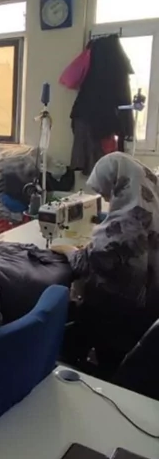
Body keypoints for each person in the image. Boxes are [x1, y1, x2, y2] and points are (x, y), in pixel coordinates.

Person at [54, 152, 159, 373]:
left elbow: (87, 263)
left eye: (106, 192)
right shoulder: (150, 211)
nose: (107, 199)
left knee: (66, 324)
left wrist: (65, 248)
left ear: (120, 184)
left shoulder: (125, 225)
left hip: (119, 322)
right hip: (146, 314)